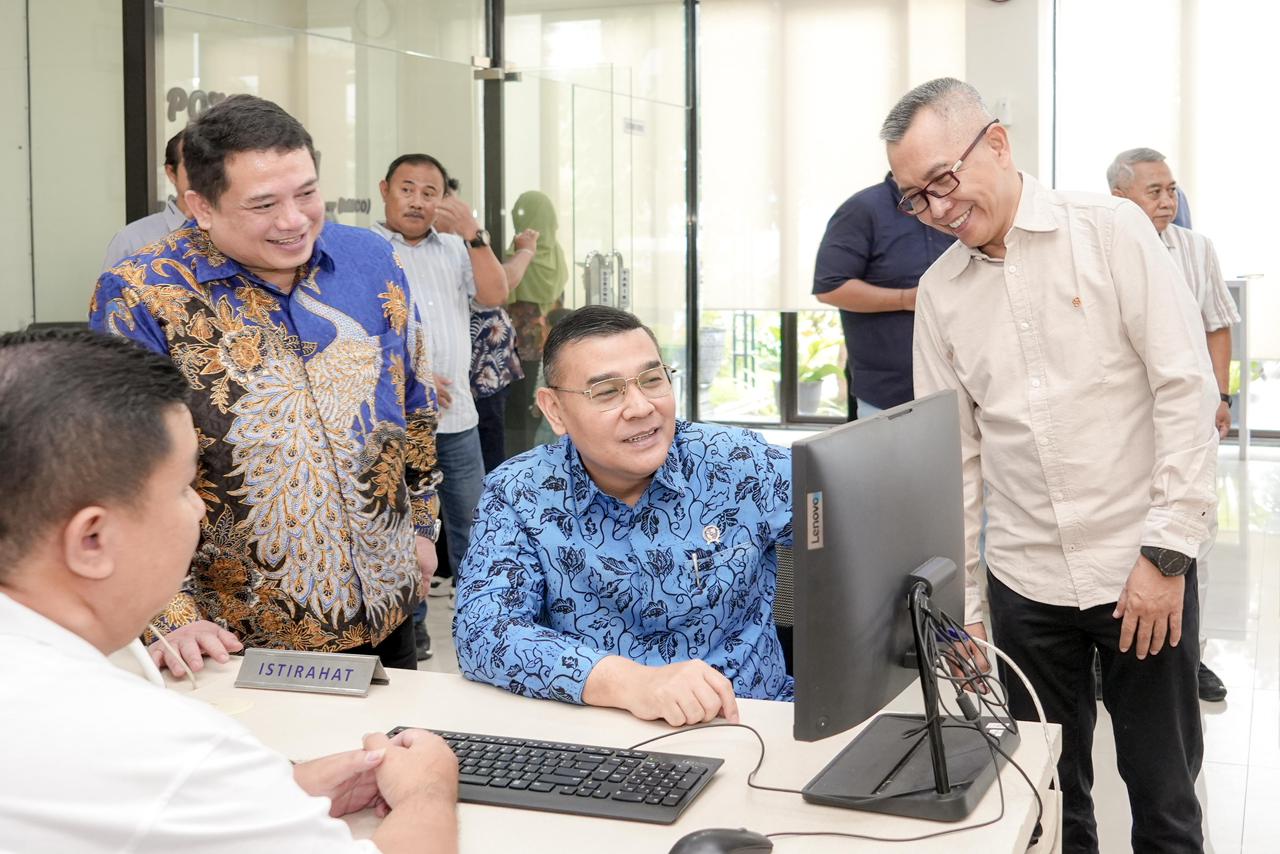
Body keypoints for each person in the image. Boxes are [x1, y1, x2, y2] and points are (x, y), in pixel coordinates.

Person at [888, 78, 1217, 853]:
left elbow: (1184, 388)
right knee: (1046, 803)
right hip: (1025, 585)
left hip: (1140, 570)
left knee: (1165, 800)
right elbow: (952, 463)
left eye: (943, 180)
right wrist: (964, 611)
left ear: (997, 144)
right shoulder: (939, 294)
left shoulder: (1110, 232)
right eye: (915, 198)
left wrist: (1167, 554)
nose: (936, 209)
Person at [0, 328, 459, 853]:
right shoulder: (149, 744)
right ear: (92, 540)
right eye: (183, 489)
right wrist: (426, 791)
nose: (199, 507)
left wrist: (279, 791)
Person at [90, 95, 442, 675]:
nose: (294, 220)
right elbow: (120, 473)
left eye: (306, 193)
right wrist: (170, 615)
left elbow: (414, 401)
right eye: (264, 204)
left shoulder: (371, 259)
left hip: (387, 600)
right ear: (200, 206)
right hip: (241, 633)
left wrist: (423, 526)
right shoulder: (142, 295)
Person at [453, 306, 793, 726]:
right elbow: (483, 632)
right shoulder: (520, 492)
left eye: (652, 380)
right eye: (607, 392)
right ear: (554, 410)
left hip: (750, 721)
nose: (640, 407)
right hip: (598, 732)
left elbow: (851, 520)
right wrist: (632, 684)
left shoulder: (739, 463)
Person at [1108, 146, 1240, 703]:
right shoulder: (1100, 249)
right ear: (1119, 197)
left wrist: (1220, 394)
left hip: (1185, 417)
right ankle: (1116, 655)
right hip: (1124, 422)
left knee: (1191, 537)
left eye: (1171, 190)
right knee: (1126, 539)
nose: (1168, 201)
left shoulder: (1195, 248)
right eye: (1154, 191)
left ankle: (1191, 656)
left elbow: (1218, 325)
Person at [373, 154, 509, 659]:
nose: (417, 201)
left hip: (458, 421)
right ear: (385, 190)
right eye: (407, 188)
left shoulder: (455, 248)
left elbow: (495, 293)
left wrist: (473, 233)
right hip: (397, 423)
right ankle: (413, 632)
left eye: (429, 192)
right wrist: (411, 377)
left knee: (476, 526)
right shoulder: (366, 250)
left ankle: (489, 624)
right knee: (404, 530)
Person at [813, 173, 952, 419]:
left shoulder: (954, 203)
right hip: (888, 395)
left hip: (959, 385)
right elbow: (830, 287)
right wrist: (905, 299)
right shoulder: (862, 209)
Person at [504, 191, 569, 455]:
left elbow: (503, 294)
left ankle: (524, 457)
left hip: (523, 343)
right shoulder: (555, 255)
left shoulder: (518, 253)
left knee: (524, 405)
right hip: (551, 340)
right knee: (545, 403)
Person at [469, 226, 538, 472]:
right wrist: (526, 252)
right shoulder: (456, 247)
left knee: (491, 440)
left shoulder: (460, 246)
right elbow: (501, 284)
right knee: (486, 449)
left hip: (491, 368)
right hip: (477, 371)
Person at [101, 129, 191, 271]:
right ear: (171, 172)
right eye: (193, 165)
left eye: (212, 166)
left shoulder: (227, 235)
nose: (205, 174)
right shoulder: (132, 240)